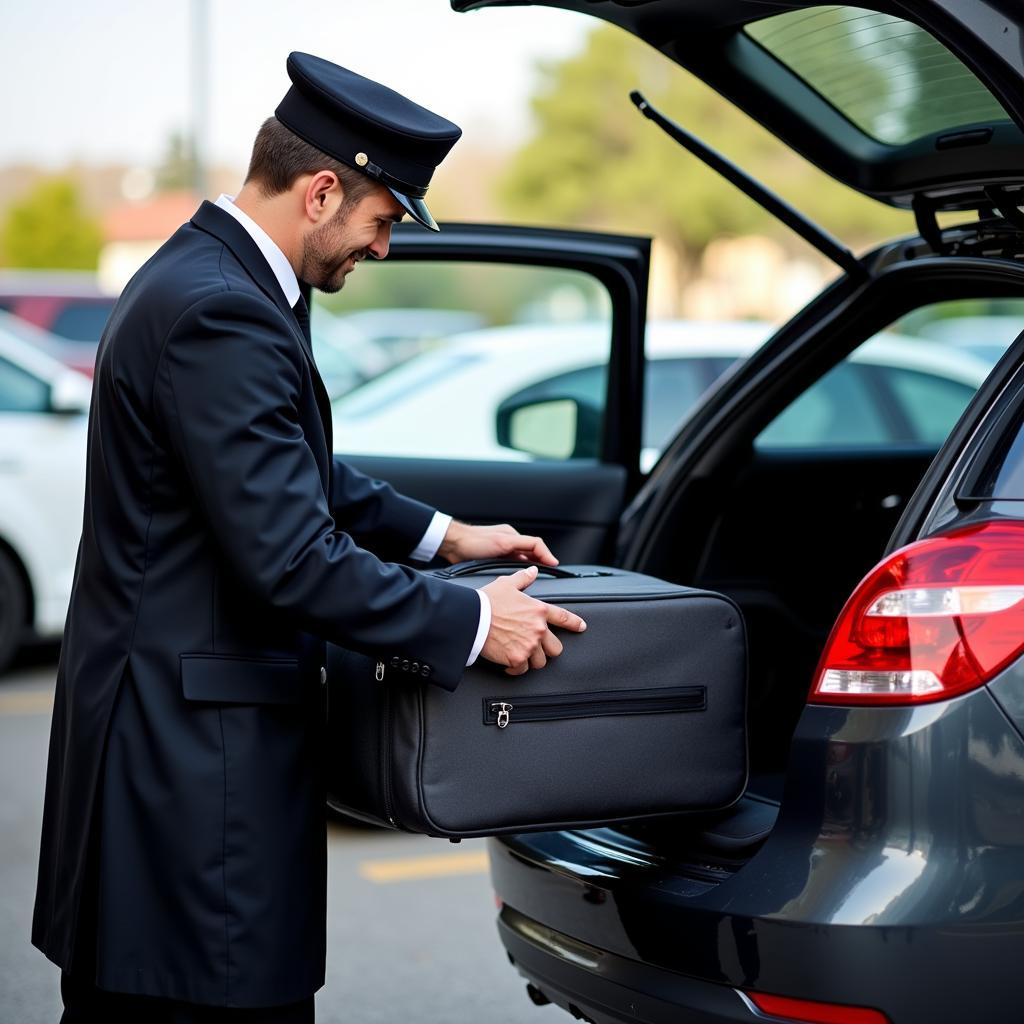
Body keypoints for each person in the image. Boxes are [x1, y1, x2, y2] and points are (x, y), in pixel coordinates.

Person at [33, 52, 586, 1023]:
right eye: (382, 220)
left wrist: (447, 535)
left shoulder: (210, 279)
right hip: (193, 787)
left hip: (177, 766)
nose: (381, 249)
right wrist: (470, 622)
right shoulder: (223, 312)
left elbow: (284, 471)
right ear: (321, 190)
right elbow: (288, 554)